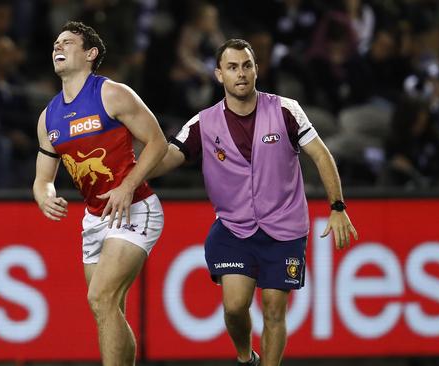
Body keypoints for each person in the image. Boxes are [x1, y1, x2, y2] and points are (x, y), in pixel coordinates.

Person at [149, 39, 358, 366]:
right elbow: (167, 157)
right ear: (219, 75)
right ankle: (246, 357)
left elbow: (321, 154)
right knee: (234, 306)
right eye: (232, 67)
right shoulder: (203, 123)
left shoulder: (286, 110)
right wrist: (127, 176)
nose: (241, 73)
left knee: (275, 308)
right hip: (233, 228)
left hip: (285, 228)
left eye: (247, 65)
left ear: (257, 69)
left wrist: (337, 207)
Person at [33, 21, 167, 365]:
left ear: (90, 54)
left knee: (100, 298)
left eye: (67, 42)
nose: (57, 47)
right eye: (55, 43)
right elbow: (43, 178)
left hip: (136, 207)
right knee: (107, 309)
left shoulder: (112, 93)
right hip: (95, 218)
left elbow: (157, 142)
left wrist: (127, 185)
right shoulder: (49, 117)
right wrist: (44, 194)